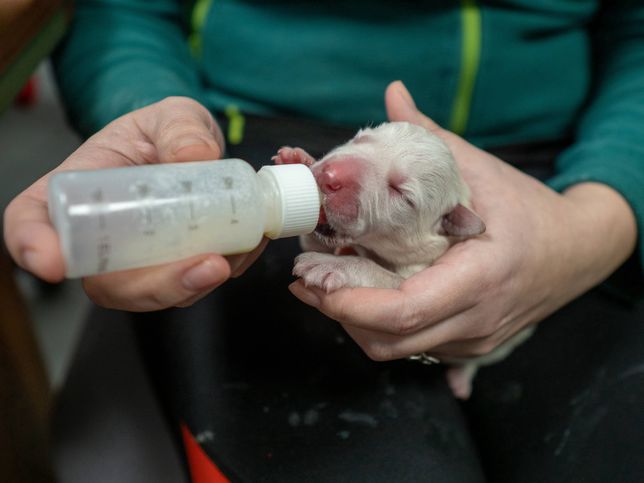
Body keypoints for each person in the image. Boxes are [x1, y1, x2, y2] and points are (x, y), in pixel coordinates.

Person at [3, 1, 643, 481]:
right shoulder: (339, 173)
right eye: (361, 143)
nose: (337, 169)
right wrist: (145, 104)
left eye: (395, 194)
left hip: (565, 171)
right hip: (239, 130)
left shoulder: (445, 222)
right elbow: (125, 8)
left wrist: (597, 221)